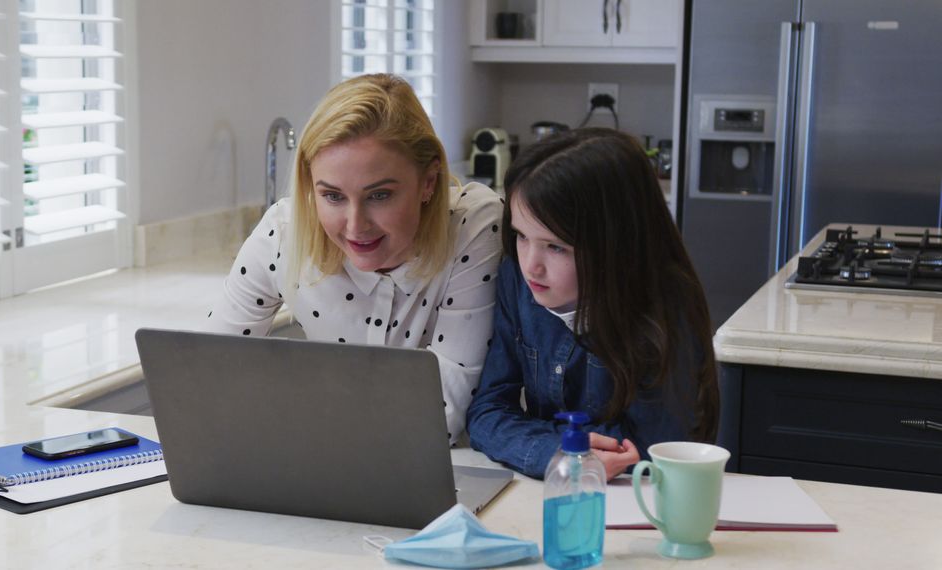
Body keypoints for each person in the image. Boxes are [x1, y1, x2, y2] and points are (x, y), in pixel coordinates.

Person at [207, 74, 503, 443]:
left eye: (379, 196)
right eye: (332, 196)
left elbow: (439, 417)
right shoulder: (283, 231)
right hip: (321, 462)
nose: (355, 225)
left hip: (451, 472)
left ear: (429, 182)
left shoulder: (472, 226)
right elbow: (209, 377)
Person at [466, 128, 719, 480]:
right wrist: (557, 454)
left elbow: (653, 449)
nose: (530, 265)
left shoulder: (664, 307)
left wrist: (558, 448)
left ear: (615, 246)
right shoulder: (517, 278)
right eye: (522, 236)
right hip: (559, 491)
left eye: (556, 247)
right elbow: (486, 413)